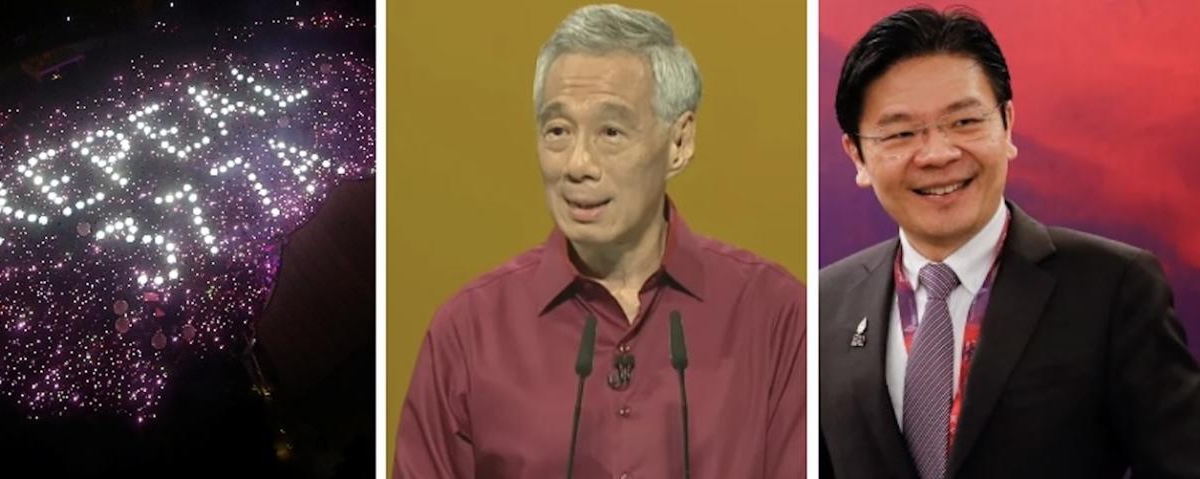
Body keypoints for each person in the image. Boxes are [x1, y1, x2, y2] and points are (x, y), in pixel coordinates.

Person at [394, 4, 805, 478]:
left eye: (610, 132)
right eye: (557, 131)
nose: (577, 164)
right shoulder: (469, 331)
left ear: (679, 142)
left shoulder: (775, 315)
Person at [819, 6, 1200, 479]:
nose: (938, 154)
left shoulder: (1115, 288)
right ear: (857, 154)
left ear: (1007, 125)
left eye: (964, 122)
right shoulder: (822, 305)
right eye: (901, 133)